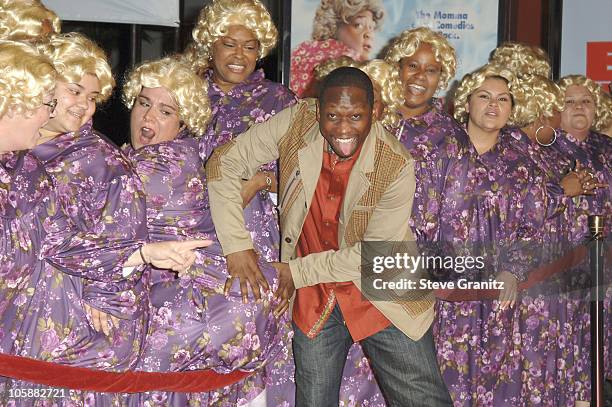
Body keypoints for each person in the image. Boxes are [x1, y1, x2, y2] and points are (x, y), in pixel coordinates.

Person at [206, 66, 452, 407]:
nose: (343, 128)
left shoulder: (395, 163)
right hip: (315, 299)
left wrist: (295, 272)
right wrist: (237, 246)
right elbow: (224, 163)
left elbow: (372, 254)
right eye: (332, 115)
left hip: (383, 293)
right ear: (316, 108)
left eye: (356, 116)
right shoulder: (297, 120)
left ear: (376, 112)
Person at [122, 57, 290, 406]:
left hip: (198, 311)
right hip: (216, 310)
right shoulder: (169, 155)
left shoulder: (161, 166)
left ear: (183, 122)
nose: (149, 117)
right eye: (144, 103)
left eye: (165, 111)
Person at [433, 64, 548, 406]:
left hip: (496, 290)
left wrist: (512, 270)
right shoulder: (441, 150)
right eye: (484, 96)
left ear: (512, 109)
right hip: (441, 290)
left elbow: (532, 223)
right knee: (437, 380)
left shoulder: (522, 163)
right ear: (467, 102)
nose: (493, 105)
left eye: (503, 99)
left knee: (494, 380)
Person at [290, 0, 384, 97]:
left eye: (371, 27)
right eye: (358, 25)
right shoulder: (345, 57)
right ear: (335, 25)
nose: (368, 34)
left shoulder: (304, 51)